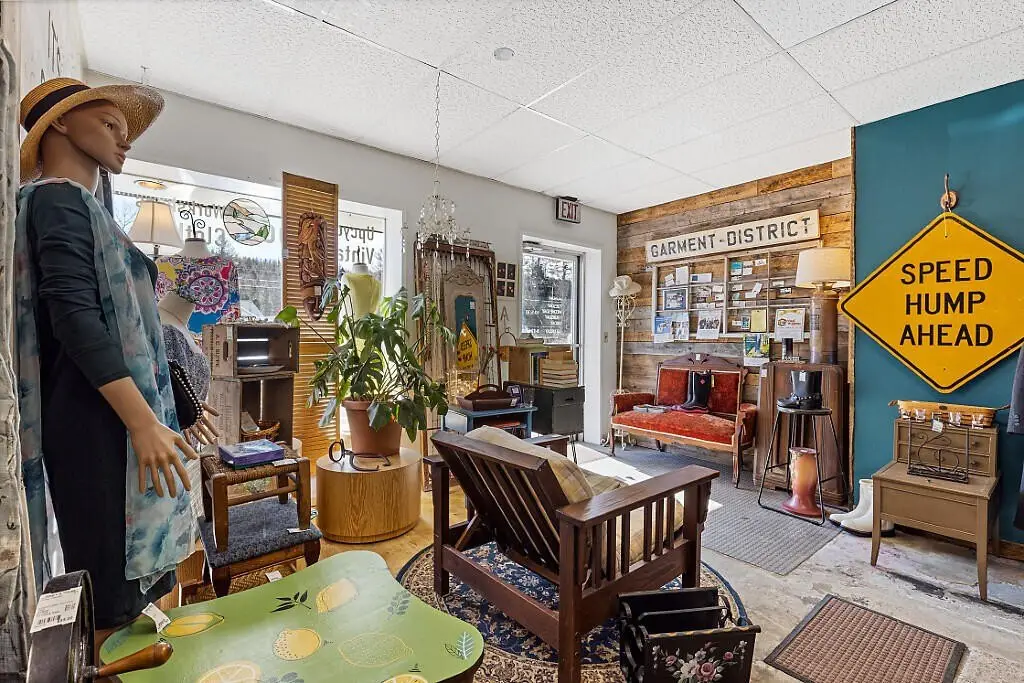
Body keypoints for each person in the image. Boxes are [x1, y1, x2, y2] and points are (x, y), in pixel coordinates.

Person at [13, 78, 201, 640]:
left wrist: (171, 405)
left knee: (129, 591)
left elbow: (131, 331)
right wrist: (143, 422)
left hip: (108, 417)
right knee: (111, 596)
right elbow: (76, 321)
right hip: (96, 424)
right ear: (61, 123)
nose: (125, 140)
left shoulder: (84, 209)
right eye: (109, 125)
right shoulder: (58, 202)